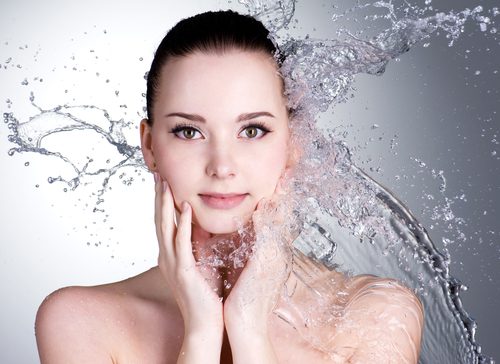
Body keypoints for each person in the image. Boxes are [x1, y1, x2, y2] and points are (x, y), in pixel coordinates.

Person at [35, 10, 424, 363]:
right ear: (150, 146)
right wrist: (202, 331)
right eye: (189, 131)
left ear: (294, 143)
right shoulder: (79, 321)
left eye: (252, 130)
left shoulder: (374, 314)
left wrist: (248, 326)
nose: (222, 166)